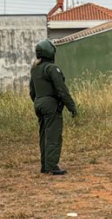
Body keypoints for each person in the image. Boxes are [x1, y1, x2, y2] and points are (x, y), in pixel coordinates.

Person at [29, 39, 77, 175]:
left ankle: (45, 165)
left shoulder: (35, 69)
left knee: (43, 135)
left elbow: (32, 91)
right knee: (53, 135)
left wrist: (38, 102)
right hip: (50, 105)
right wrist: (71, 106)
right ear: (50, 52)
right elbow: (61, 90)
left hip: (38, 103)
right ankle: (52, 166)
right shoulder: (51, 68)